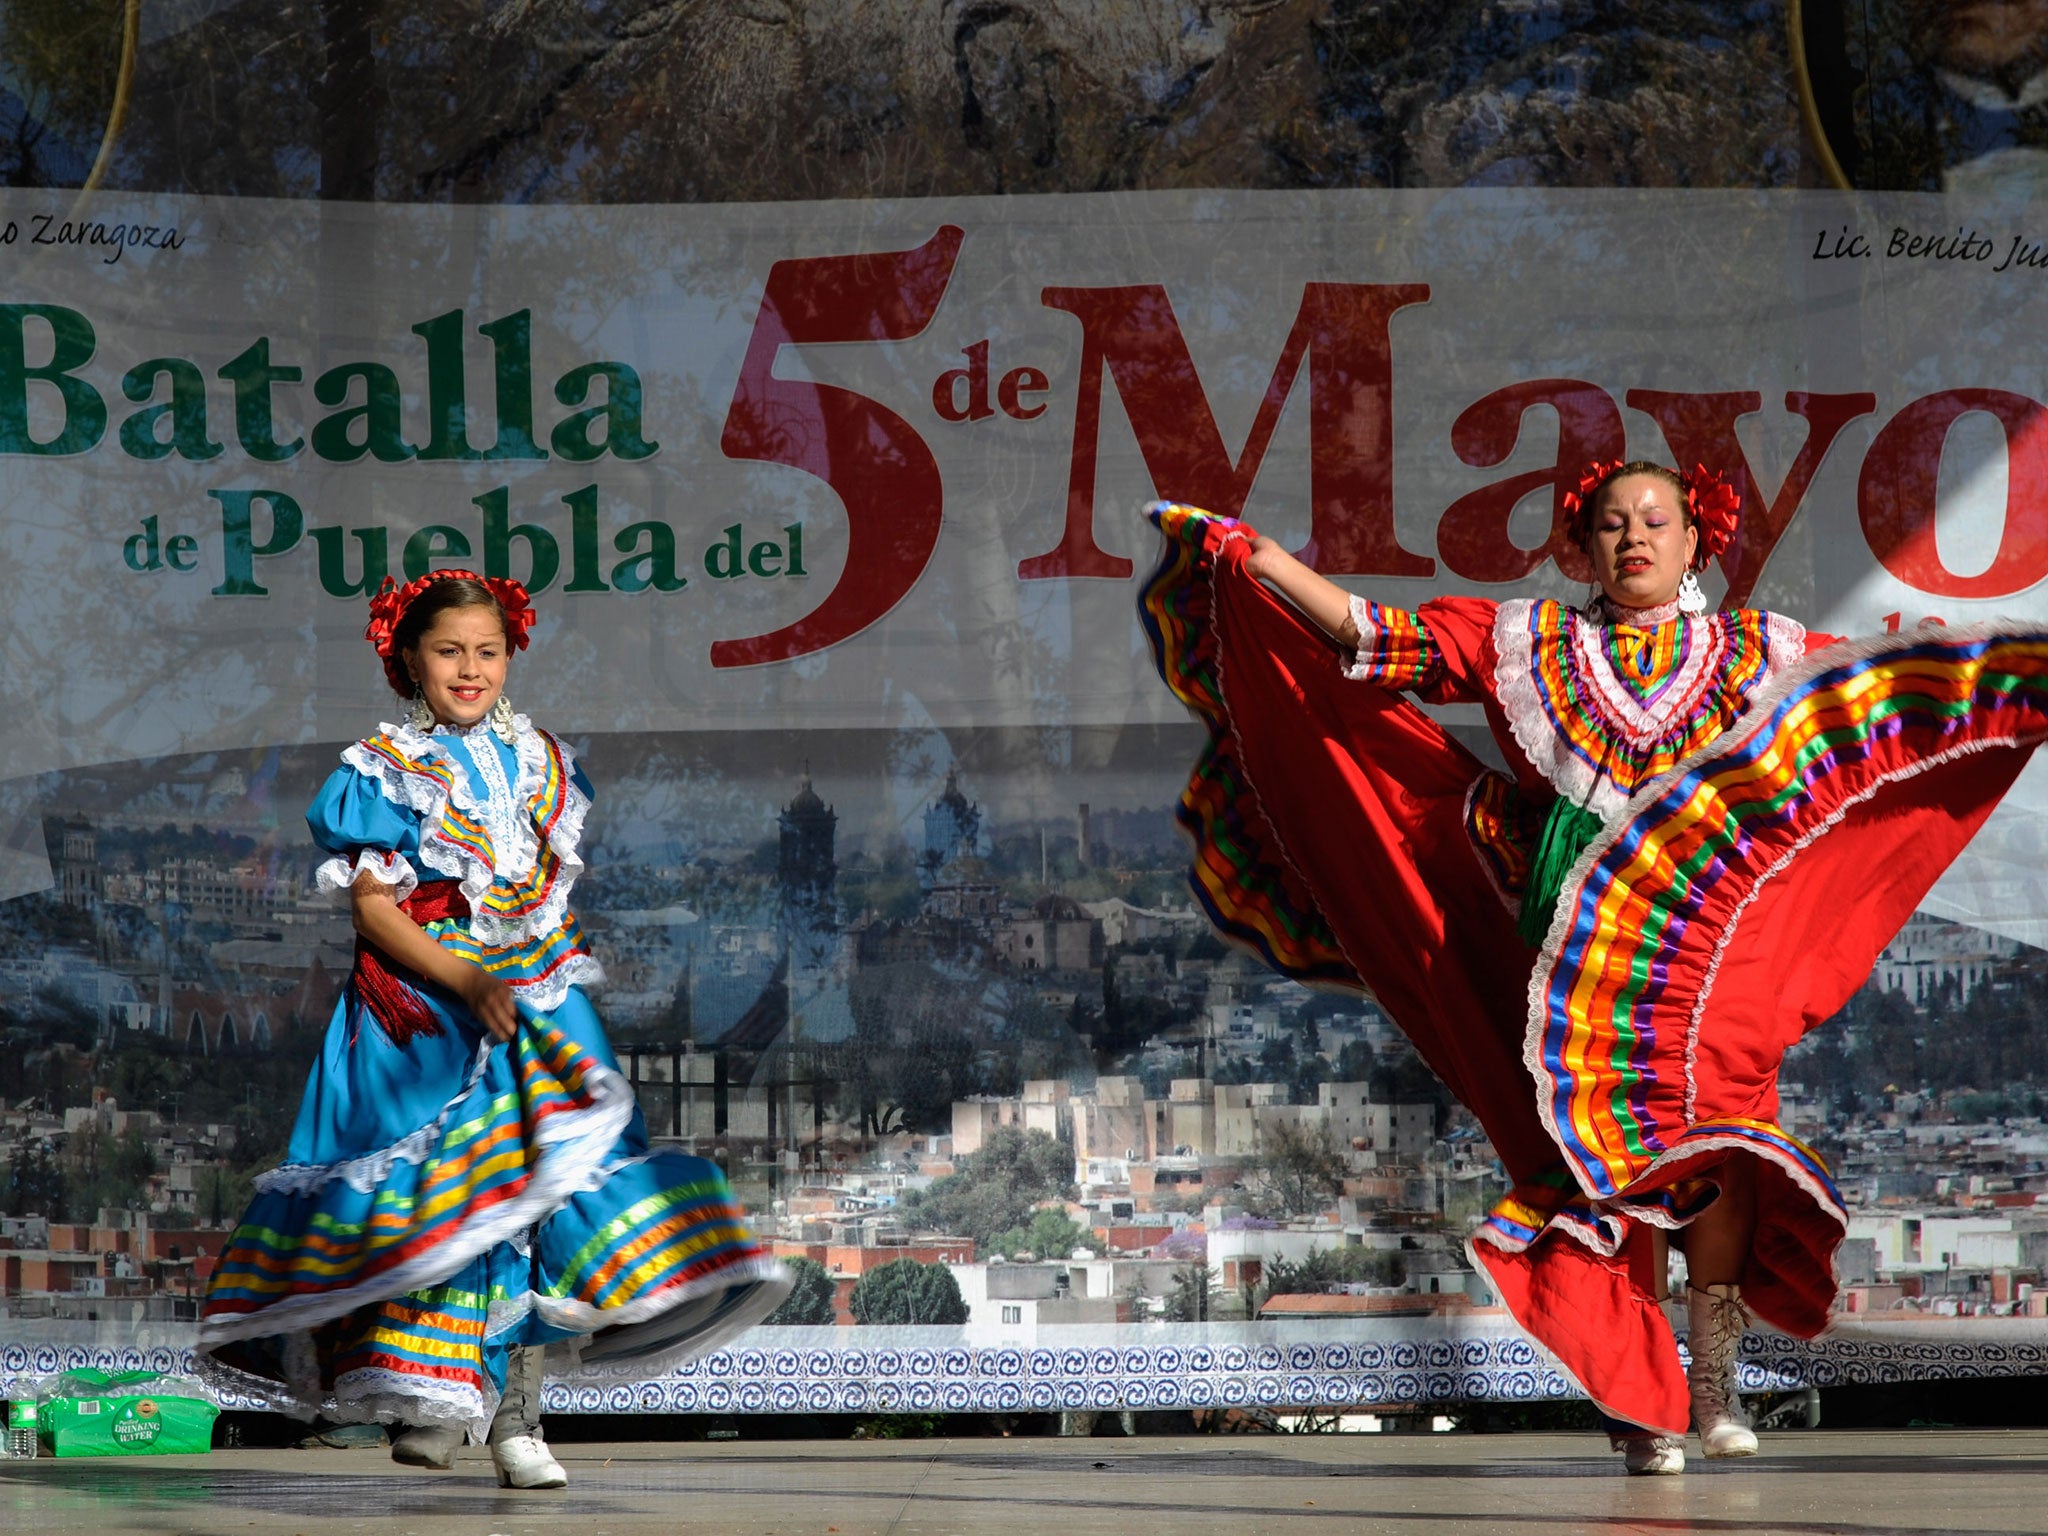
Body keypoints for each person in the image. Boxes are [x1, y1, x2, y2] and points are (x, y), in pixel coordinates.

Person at [1139, 462, 2048, 1473]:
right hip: (1568, 950)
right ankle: (1637, 1397)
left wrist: (1978, 666)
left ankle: (1711, 1389)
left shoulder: (1759, 651)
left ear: (1697, 541)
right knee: (1602, 1170)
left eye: (1656, 521)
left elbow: (1874, 697)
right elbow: (1371, 636)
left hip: (1710, 951)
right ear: (1580, 545)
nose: (1634, 540)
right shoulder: (1528, 643)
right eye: (1610, 524)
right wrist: (1261, 560)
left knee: (1716, 1154)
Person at [194, 569, 789, 1486]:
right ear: (409, 661)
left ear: (510, 656)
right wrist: (464, 976)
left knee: (545, 1192)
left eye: (487, 652)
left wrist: (546, 969)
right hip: (429, 1003)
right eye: (448, 652)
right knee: (455, 1204)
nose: (470, 669)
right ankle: (437, 1393)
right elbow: (375, 909)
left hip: (531, 996)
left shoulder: (545, 760)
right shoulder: (382, 767)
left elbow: (539, 894)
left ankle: (518, 1419)